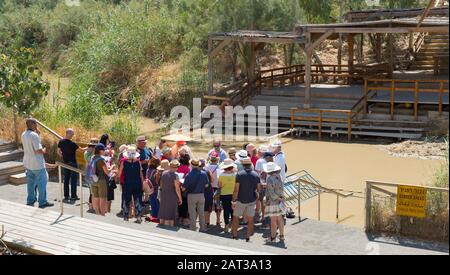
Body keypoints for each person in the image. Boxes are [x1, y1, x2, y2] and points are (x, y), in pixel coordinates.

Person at [21, 118, 53, 209]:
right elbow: (39, 150)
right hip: (37, 164)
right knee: (42, 183)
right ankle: (42, 201)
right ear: (34, 125)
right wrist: (44, 149)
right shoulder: (34, 135)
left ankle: (30, 200)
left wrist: (38, 135)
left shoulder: (23, 134)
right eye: (36, 124)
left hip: (28, 163)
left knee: (30, 184)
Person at [231, 158, 261, 242]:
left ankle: (234, 236)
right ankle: (247, 237)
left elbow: (236, 190)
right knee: (250, 219)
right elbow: (259, 189)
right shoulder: (256, 175)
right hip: (251, 201)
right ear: (250, 165)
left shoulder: (239, 175)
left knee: (236, 218)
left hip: (240, 200)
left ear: (243, 166)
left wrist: (233, 200)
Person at [182, 159, 209, 232]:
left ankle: (193, 227)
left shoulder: (188, 175)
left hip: (191, 195)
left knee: (192, 212)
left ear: (191, 165)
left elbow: (183, 188)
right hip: (201, 195)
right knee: (201, 212)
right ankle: (203, 228)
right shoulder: (204, 173)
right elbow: (206, 185)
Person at [119, 145, 144, 223]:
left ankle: (126, 216)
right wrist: (143, 183)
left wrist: (120, 181)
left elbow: (120, 173)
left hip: (127, 182)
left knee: (127, 199)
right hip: (137, 182)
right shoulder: (138, 162)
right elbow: (140, 173)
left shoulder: (124, 162)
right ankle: (139, 215)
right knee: (138, 199)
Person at [58, 128, 81, 202]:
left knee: (66, 179)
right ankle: (73, 196)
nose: (72, 135)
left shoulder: (61, 142)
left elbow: (58, 151)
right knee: (73, 180)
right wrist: (90, 147)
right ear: (67, 133)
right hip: (73, 163)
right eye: (71, 134)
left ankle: (66, 195)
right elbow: (81, 150)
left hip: (65, 163)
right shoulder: (72, 143)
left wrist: (62, 155)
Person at [264, 162, 285, 242]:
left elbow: (271, 193)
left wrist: (277, 198)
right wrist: (280, 198)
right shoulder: (279, 176)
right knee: (280, 219)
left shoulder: (269, 179)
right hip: (281, 200)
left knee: (273, 220)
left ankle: (273, 238)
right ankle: (282, 236)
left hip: (273, 202)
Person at [159, 160, 182, 227]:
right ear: (176, 167)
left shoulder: (163, 173)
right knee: (170, 214)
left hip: (164, 194)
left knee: (163, 212)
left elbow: (161, 185)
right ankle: (169, 229)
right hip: (172, 196)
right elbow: (177, 189)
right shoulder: (175, 176)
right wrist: (180, 198)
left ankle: (161, 226)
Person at [90, 144, 111, 216]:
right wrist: (112, 168)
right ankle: (102, 214)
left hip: (93, 179)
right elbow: (107, 171)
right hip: (101, 180)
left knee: (95, 197)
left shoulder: (92, 157)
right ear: (100, 151)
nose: (104, 151)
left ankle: (97, 213)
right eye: (103, 150)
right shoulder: (101, 160)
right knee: (103, 198)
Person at [218, 159, 237, 233]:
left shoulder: (221, 175)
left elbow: (219, 185)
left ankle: (226, 225)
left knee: (226, 210)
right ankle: (232, 225)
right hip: (233, 194)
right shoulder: (235, 175)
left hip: (224, 194)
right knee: (233, 210)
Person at [205, 154, 222, 226]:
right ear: (217, 160)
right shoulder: (219, 168)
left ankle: (207, 221)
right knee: (217, 205)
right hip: (217, 187)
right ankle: (218, 220)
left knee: (208, 205)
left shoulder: (207, 167)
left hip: (209, 188)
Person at [177, 155, 190, 226]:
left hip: (179, 186)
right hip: (185, 187)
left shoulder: (179, 167)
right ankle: (184, 217)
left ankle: (179, 217)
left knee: (179, 202)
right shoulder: (188, 168)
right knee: (185, 203)